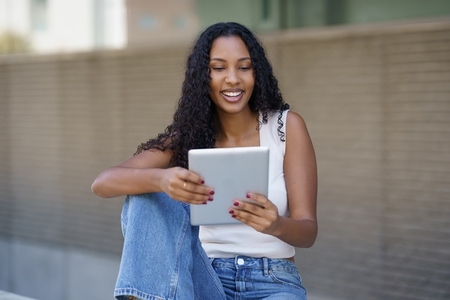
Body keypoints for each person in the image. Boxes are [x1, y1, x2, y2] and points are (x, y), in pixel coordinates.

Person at [92, 22, 317, 300]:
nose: (233, 79)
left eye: (244, 67)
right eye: (219, 68)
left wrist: (276, 225)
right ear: (203, 76)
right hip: (204, 280)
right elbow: (102, 183)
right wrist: (161, 179)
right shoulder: (189, 136)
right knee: (146, 194)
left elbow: (308, 231)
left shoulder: (286, 127)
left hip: (272, 282)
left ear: (256, 73)